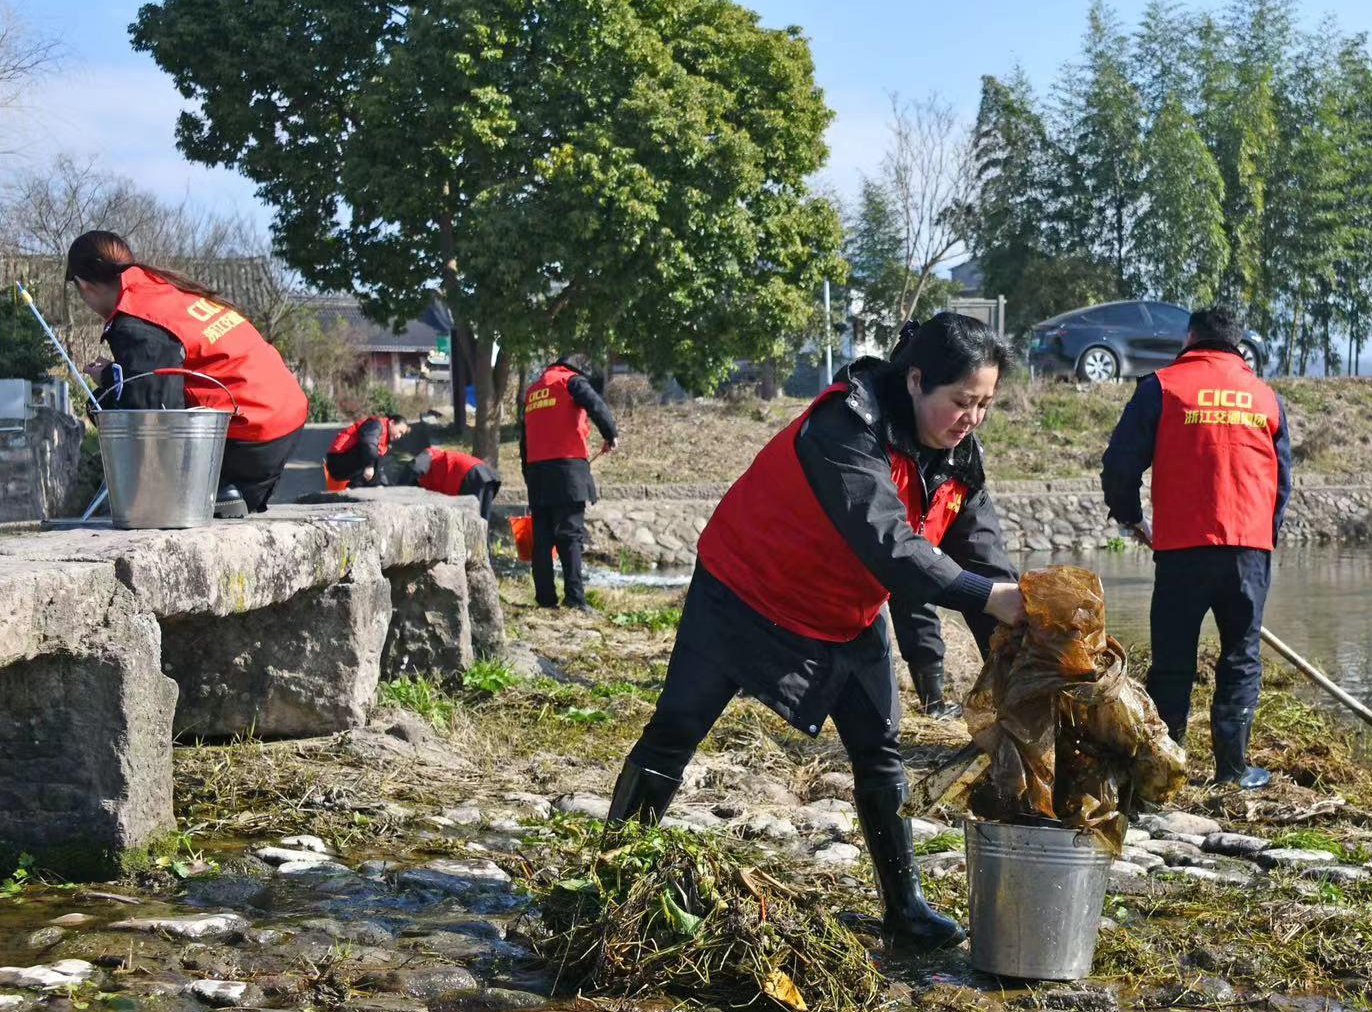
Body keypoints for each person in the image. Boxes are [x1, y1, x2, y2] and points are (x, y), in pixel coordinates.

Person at [607, 313, 1022, 949]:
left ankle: (904, 908)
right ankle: (614, 877)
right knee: (677, 728)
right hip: (745, 590)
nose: (972, 418)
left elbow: (981, 554)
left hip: (842, 609)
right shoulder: (844, 426)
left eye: (986, 405)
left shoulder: (958, 455)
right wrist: (988, 597)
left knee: (880, 749)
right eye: (962, 401)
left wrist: (1016, 635)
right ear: (915, 381)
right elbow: (891, 545)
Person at [1100, 305, 1292, 790]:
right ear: (1239, 343)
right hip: (1248, 549)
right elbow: (1281, 481)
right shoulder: (1265, 397)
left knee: (1173, 659)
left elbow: (1120, 464)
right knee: (1241, 656)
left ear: (1189, 338)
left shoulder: (1162, 388)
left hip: (1182, 549)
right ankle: (1232, 770)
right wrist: (1264, 536)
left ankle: (1169, 767)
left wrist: (1128, 517)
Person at [66, 230, 309, 516]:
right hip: (283, 414)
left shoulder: (136, 320)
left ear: (83, 285)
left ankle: (213, 494)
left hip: (251, 435)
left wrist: (105, 390)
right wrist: (114, 378)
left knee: (151, 500)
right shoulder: (167, 290)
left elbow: (154, 420)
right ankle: (224, 493)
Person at [520, 355, 618, 610]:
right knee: (570, 536)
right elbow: (596, 406)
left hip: (537, 473)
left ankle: (545, 600)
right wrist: (611, 434)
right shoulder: (570, 382)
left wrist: (528, 476)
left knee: (542, 540)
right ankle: (575, 600)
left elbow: (524, 440)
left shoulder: (533, 391)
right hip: (567, 471)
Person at [410, 444, 501, 522]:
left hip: (471, 475)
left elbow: (414, 467)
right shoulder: (436, 466)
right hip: (486, 474)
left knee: (472, 521)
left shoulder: (428, 455)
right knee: (483, 520)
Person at [324, 413, 408, 490]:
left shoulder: (384, 440)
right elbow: (368, 442)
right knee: (372, 452)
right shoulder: (376, 425)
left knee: (377, 459)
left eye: (402, 435)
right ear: (392, 422)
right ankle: (357, 486)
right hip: (338, 460)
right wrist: (369, 466)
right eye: (399, 431)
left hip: (345, 460)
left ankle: (362, 486)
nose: (399, 436)